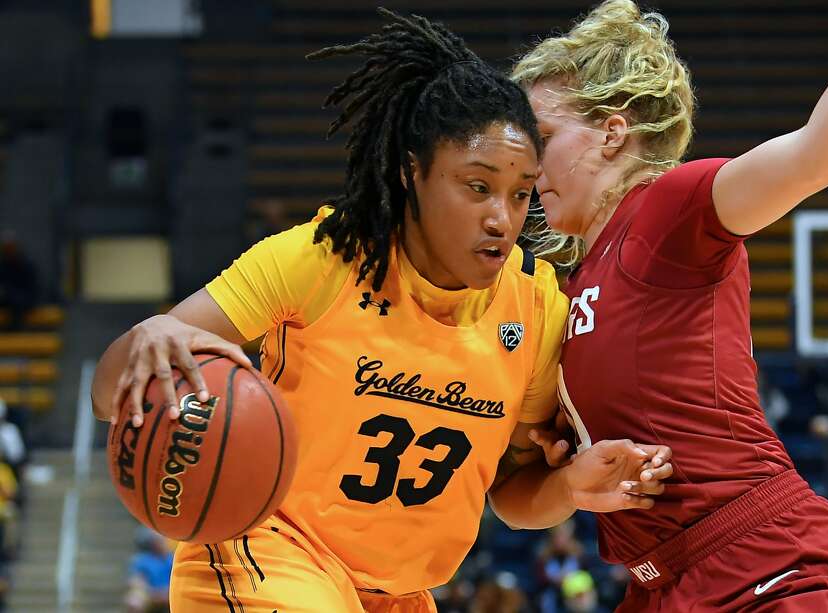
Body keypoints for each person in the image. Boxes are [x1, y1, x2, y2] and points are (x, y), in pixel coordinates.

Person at [90, 10, 672, 613]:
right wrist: (148, 338)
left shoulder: (537, 307)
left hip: (400, 595)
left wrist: (570, 488)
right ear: (411, 174)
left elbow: (514, 492)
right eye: (477, 187)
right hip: (267, 556)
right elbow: (109, 397)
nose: (503, 217)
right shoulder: (324, 259)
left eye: (521, 193)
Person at [513, 0, 828, 609]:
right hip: (657, 586)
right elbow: (516, 497)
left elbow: (820, 155)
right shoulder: (558, 294)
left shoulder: (666, 208)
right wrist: (571, 484)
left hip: (765, 560)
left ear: (611, 133)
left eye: (542, 137)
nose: (528, 164)